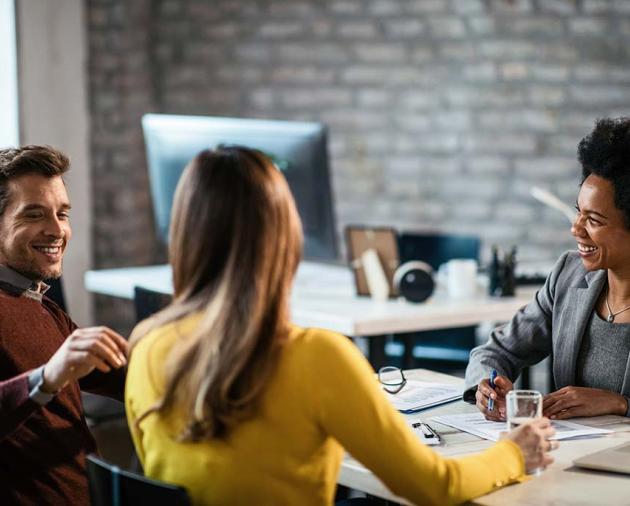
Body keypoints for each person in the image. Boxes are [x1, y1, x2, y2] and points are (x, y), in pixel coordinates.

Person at [126, 146, 555, 506]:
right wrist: (512, 454)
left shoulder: (146, 344)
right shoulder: (317, 357)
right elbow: (434, 487)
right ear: (285, 239)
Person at [466, 117, 630, 422]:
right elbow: (496, 351)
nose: (576, 229)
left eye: (593, 220)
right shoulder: (569, 275)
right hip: (566, 457)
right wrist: (487, 384)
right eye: (579, 212)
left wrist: (620, 403)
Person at [0, 145, 129, 505]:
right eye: (34, 215)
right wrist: (47, 377)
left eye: (62, 214)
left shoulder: (38, 303)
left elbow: (120, 374)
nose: (57, 230)